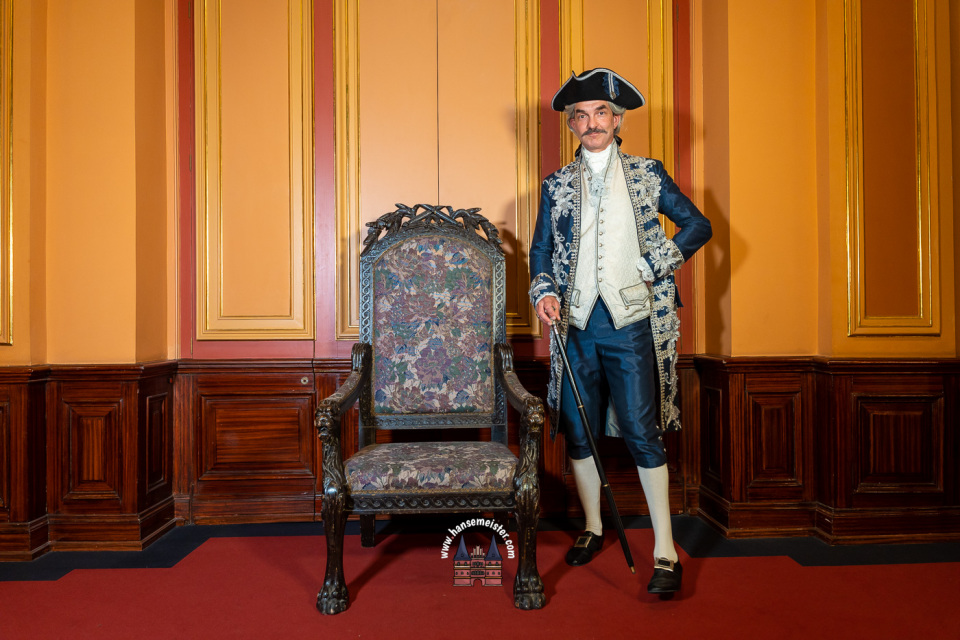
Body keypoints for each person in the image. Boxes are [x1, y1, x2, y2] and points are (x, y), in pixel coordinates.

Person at [528, 68, 712, 594]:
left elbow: (698, 225)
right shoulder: (556, 184)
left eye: (601, 113)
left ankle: (664, 552)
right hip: (575, 322)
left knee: (640, 429)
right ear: (571, 125)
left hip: (631, 321)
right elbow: (541, 250)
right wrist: (543, 291)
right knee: (579, 428)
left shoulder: (648, 174)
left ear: (617, 120)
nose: (592, 123)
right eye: (581, 116)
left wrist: (655, 265)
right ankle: (592, 527)